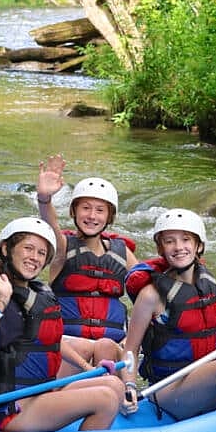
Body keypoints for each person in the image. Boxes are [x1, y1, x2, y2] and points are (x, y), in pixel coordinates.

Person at [0, 217, 125, 432]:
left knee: (114, 385)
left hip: (38, 393)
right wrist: (1, 301)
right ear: (7, 249)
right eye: (28, 248)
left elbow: (52, 340)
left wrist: (89, 369)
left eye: (41, 253)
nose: (34, 258)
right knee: (105, 399)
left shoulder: (39, 293)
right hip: (6, 408)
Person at [120, 209, 216, 418]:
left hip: (201, 378)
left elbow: (201, 339)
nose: (178, 247)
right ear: (161, 247)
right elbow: (130, 349)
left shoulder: (206, 284)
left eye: (186, 240)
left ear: (198, 245)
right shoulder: (151, 295)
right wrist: (128, 385)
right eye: (169, 241)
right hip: (167, 388)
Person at [35, 155, 138, 375]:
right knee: (89, 346)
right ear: (74, 211)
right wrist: (44, 199)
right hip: (68, 347)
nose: (92, 216)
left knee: (105, 346)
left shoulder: (123, 253)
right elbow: (49, 223)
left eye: (100, 210)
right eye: (85, 208)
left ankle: (119, 392)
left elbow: (149, 296)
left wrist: (132, 341)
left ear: (109, 216)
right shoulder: (62, 247)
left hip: (111, 349)